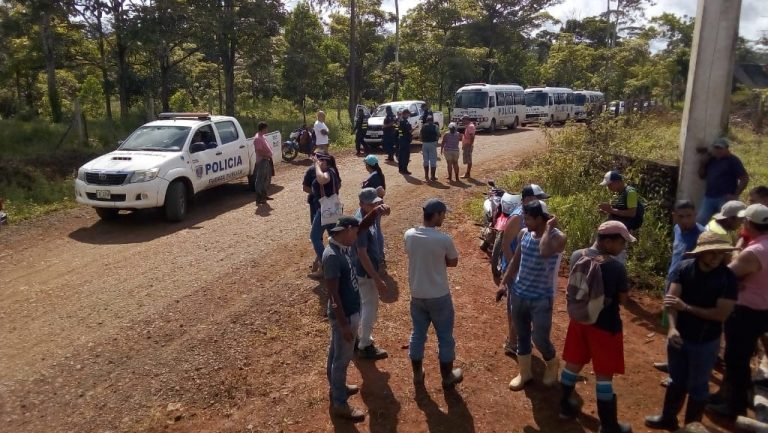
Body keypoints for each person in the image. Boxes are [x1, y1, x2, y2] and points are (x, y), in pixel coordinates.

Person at [644, 231, 738, 430]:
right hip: (680, 336)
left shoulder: (727, 279)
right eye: (712, 252)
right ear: (701, 253)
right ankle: (668, 418)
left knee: (698, 386)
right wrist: (671, 329)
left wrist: (685, 307)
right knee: (676, 380)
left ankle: (691, 427)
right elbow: (671, 302)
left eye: (721, 253)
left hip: (705, 341)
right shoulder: (684, 268)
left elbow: (721, 314)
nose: (716, 257)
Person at [559, 221, 636, 433]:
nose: (623, 248)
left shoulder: (577, 255)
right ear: (608, 242)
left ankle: (564, 406)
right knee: (604, 375)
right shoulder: (616, 267)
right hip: (604, 326)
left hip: (579, 321)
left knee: (572, 363)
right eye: (622, 243)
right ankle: (609, 425)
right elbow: (622, 300)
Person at [496, 200, 566, 391]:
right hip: (519, 293)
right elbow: (516, 261)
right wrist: (504, 285)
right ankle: (524, 373)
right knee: (522, 335)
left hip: (541, 298)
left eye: (528, 218)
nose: (524, 221)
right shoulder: (524, 234)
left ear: (539, 218)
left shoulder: (558, 238)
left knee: (540, 337)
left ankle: (552, 363)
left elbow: (544, 251)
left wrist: (549, 228)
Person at [708, 204, 768, 420]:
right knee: (740, 356)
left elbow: (729, 273)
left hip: (746, 311)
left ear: (750, 224)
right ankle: (725, 395)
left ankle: (735, 405)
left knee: (736, 359)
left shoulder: (754, 251)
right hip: (763, 309)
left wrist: (741, 245)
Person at [324, 211, 383, 422]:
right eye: (355, 232)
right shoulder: (332, 256)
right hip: (344, 316)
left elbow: (362, 226)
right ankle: (340, 403)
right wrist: (344, 324)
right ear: (347, 231)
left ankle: (336, 388)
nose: (357, 236)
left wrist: (375, 213)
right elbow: (333, 294)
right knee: (341, 360)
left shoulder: (342, 246)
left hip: (348, 313)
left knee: (335, 354)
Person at [404, 198, 463, 388]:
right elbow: (453, 262)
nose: (444, 218)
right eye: (443, 214)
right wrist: (439, 259)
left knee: (418, 334)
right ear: (436, 215)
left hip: (417, 295)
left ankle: (417, 374)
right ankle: (447, 377)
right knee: (445, 336)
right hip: (439, 296)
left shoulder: (409, 235)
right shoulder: (443, 239)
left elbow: (412, 254)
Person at [652, 200, 706, 378]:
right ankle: (673, 364)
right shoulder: (677, 230)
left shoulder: (702, 236)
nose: (685, 220)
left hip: (689, 288)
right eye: (681, 216)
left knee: (683, 328)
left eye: (689, 216)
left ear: (695, 215)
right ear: (674, 216)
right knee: (671, 325)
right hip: (672, 281)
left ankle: (680, 372)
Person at [497, 184, 550, 356]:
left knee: (519, 306)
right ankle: (512, 342)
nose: (541, 201)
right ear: (527, 199)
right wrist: (514, 269)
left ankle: (516, 340)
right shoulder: (518, 217)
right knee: (516, 307)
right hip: (515, 267)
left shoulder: (531, 216)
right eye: (538, 198)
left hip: (522, 267)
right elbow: (505, 245)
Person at [355, 188, 391, 360]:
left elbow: (384, 209)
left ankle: (359, 337)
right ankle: (364, 344)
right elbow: (362, 254)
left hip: (366, 271)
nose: (375, 205)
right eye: (371, 204)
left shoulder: (372, 213)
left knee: (364, 305)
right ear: (361, 204)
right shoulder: (360, 224)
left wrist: (382, 208)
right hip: (365, 273)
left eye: (376, 202)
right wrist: (376, 278)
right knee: (370, 307)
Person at [696, 138, 749, 225]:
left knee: (724, 224)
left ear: (727, 149)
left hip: (724, 198)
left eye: (720, 148)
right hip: (709, 197)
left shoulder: (733, 161)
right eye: (716, 148)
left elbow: (744, 178)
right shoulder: (711, 160)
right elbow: (701, 176)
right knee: (700, 221)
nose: (718, 151)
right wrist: (702, 164)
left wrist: (735, 194)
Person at [309, 153, 342, 278]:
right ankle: (338, 262)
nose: (317, 162)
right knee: (334, 236)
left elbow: (322, 179)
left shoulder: (328, 172)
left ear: (326, 162)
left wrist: (317, 166)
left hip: (325, 210)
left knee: (315, 237)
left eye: (320, 160)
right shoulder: (333, 171)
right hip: (334, 208)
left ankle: (326, 265)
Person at [362, 155, 386, 260]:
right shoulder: (378, 175)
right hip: (377, 204)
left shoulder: (373, 177)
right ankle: (379, 253)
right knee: (377, 229)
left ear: (368, 165)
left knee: (375, 230)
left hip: (373, 206)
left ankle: (378, 254)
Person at [252, 122, 274, 205]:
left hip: (266, 159)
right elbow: (258, 150)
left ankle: (264, 195)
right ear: (263, 129)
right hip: (262, 160)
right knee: (260, 179)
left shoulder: (262, 137)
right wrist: (265, 156)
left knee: (266, 178)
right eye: (266, 128)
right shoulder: (258, 138)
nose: (267, 130)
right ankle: (259, 197)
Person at [420, 115, 440, 182]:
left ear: (427, 120)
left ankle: (426, 176)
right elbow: (438, 135)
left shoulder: (423, 126)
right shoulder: (435, 126)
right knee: (433, 160)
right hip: (432, 144)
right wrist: (436, 141)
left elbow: (420, 135)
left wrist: (423, 141)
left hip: (424, 144)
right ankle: (433, 177)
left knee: (425, 160)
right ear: (432, 120)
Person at [398, 109, 413, 175]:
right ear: (405, 114)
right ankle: (404, 169)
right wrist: (415, 128)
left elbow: (399, 131)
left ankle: (400, 169)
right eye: (408, 114)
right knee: (405, 155)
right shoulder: (405, 122)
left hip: (401, 140)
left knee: (401, 155)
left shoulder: (400, 121)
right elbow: (409, 131)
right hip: (405, 140)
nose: (409, 115)